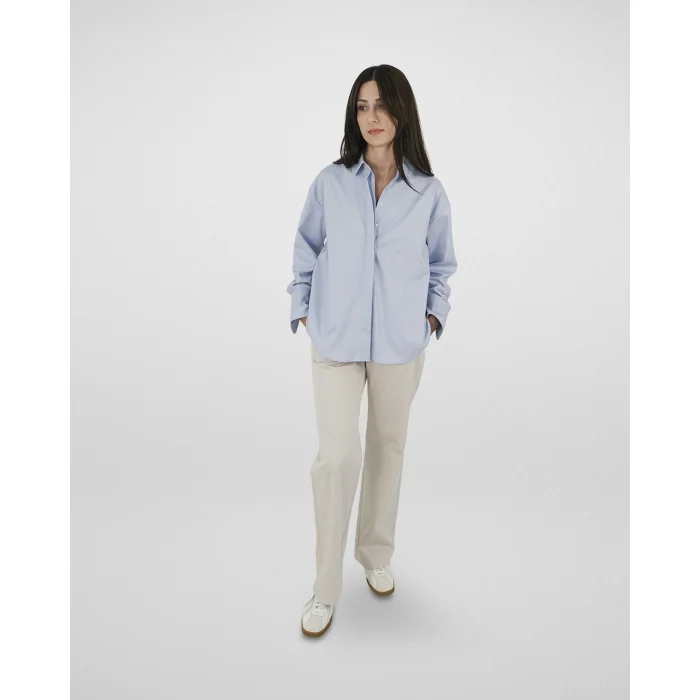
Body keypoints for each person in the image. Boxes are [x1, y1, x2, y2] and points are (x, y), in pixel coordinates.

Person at [287, 64, 458, 637]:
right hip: (335, 337)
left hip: (398, 342)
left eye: (382, 105)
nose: (372, 117)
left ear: (402, 112)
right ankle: (324, 585)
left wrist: (432, 315)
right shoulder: (331, 182)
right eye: (362, 106)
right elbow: (306, 246)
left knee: (388, 448)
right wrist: (302, 306)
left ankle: (375, 553)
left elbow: (442, 264)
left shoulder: (428, 192)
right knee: (337, 457)